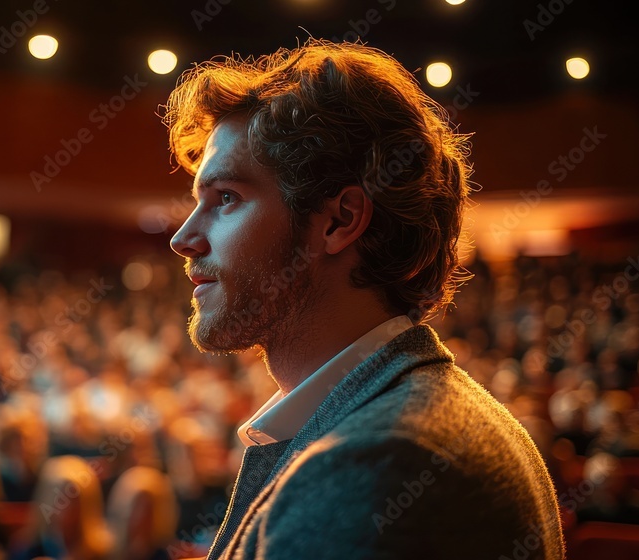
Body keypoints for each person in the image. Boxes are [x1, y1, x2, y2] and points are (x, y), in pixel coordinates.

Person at [163, 39, 564, 559]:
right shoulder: (396, 421)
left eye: (226, 199)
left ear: (339, 221)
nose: (183, 239)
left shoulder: (378, 461)